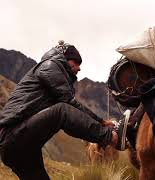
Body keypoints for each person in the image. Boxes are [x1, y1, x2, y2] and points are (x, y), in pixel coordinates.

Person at [0, 40, 130, 180]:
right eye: (76, 63)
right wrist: (102, 123)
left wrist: (101, 122)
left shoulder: (51, 72)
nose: (78, 69)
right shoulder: (49, 67)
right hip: (13, 135)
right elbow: (69, 103)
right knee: (62, 111)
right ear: (66, 60)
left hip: (20, 146)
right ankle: (112, 138)